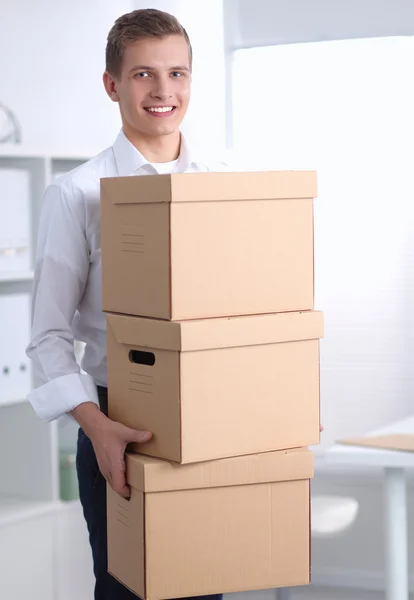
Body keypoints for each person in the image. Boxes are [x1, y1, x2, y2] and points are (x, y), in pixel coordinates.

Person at [26, 8, 225, 600]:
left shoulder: (222, 184)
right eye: (143, 75)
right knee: (131, 594)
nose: (164, 91)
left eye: (177, 73)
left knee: (206, 588)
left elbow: (255, 313)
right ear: (112, 84)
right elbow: (49, 337)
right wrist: (98, 428)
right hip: (123, 423)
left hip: (211, 414)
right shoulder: (77, 193)